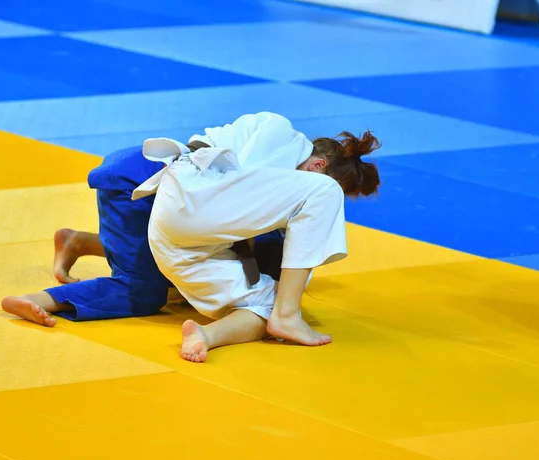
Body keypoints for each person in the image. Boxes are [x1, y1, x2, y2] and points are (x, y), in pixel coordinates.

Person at [133, 111, 381, 361]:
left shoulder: (269, 185)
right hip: (194, 198)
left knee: (271, 301)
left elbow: (242, 208)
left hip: (177, 241)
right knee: (327, 192)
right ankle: (287, 315)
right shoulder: (282, 131)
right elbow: (240, 186)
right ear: (318, 165)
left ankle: (206, 336)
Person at [0, 145, 285, 336]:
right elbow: (245, 253)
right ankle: (40, 300)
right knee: (144, 292)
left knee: (181, 258)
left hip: (144, 167)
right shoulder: (269, 211)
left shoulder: (280, 163)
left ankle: (80, 242)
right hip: (136, 186)